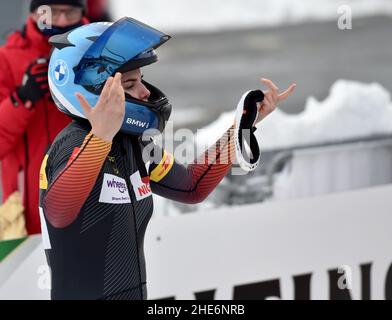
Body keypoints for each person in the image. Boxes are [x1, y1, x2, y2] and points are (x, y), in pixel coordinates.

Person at [40, 17, 296, 300]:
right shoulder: (72, 144)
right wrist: (100, 138)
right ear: (94, 92)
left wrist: (242, 127)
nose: (145, 92)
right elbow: (59, 212)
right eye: (130, 84)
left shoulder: (130, 144)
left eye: (141, 80)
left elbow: (191, 186)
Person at [0, 0, 88, 235]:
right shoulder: (6, 59)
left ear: (82, 13)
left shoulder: (97, 52)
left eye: (69, 13)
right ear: (34, 13)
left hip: (88, 191)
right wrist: (22, 98)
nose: (60, 21)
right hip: (27, 208)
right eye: (51, 12)